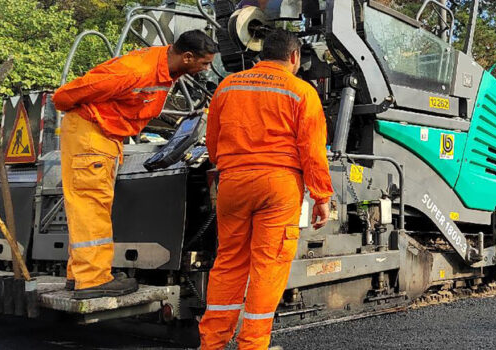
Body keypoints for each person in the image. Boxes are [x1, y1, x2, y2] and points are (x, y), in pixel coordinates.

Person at [53, 31, 217, 299]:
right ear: (187, 57)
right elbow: (64, 96)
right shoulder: (134, 71)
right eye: (205, 63)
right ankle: (92, 280)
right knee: (91, 205)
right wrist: (96, 121)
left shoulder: (164, 67)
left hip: (103, 134)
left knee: (93, 205)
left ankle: (80, 275)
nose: (206, 69)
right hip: (92, 133)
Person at [198, 29, 335, 350]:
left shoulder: (227, 86)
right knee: (268, 265)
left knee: (229, 262)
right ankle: (253, 345)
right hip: (278, 185)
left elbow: (213, 142)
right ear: (294, 57)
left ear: (261, 54)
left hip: (232, 183)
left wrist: (229, 168)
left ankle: (212, 343)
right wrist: (321, 197)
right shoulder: (301, 91)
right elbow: (312, 151)